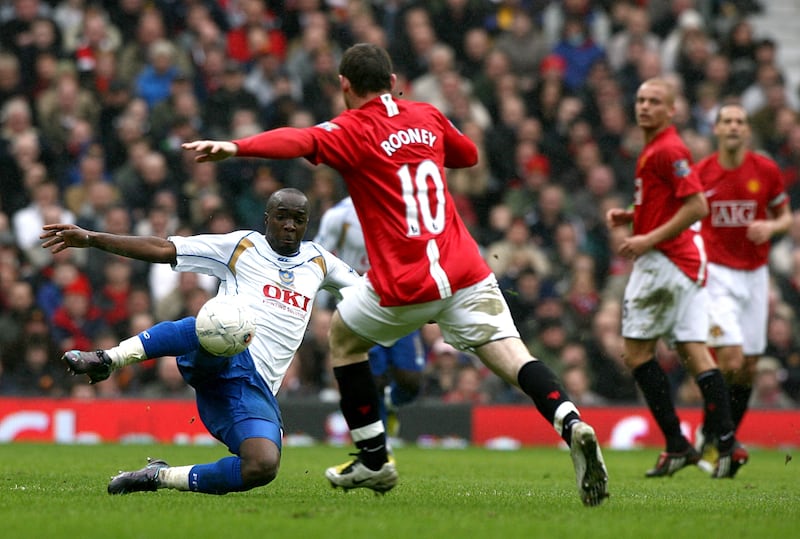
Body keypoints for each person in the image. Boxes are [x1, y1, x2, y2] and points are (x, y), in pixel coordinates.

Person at [182, 42, 609, 506]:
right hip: (465, 268)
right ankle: (571, 422)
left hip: (406, 281)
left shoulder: (353, 128)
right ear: (392, 82)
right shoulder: (427, 115)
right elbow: (467, 156)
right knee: (512, 355)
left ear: (345, 87)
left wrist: (237, 146)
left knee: (345, 339)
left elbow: (301, 139)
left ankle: (373, 458)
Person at [40, 188, 362, 495]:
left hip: (252, 388)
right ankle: (110, 358)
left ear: (308, 223)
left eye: (298, 218)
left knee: (262, 465)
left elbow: (367, 294)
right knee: (221, 321)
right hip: (220, 354)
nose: (290, 225)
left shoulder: (320, 261)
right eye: (282, 216)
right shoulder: (241, 246)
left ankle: (161, 476)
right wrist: (93, 239)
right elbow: (165, 248)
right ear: (266, 219)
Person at [605, 78, 747, 479]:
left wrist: (646, 237)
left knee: (636, 354)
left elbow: (697, 205)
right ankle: (727, 443)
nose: (644, 106)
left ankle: (676, 445)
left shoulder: (669, 149)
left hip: (664, 262)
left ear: (671, 110)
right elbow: (664, 203)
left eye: (654, 101)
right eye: (640, 99)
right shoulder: (654, 148)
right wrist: (631, 216)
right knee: (695, 350)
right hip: (685, 263)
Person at [693, 103, 791, 466]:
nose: (734, 126)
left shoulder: (765, 170)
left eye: (740, 121)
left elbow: (785, 218)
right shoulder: (702, 173)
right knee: (730, 358)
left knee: (748, 367)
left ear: (747, 131)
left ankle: (719, 438)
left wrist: (771, 227)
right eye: (727, 121)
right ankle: (725, 439)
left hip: (755, 274)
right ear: (716, 129)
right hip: (717, 274)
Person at [314, 196, 426, 441]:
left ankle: (392, 403)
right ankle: (379, 446)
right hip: (358, 298)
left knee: (410, 380)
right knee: (372, 378)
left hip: (398, 300)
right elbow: (316, 260)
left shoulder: (406, 210)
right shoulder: (339, 216)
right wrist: (320, 307)